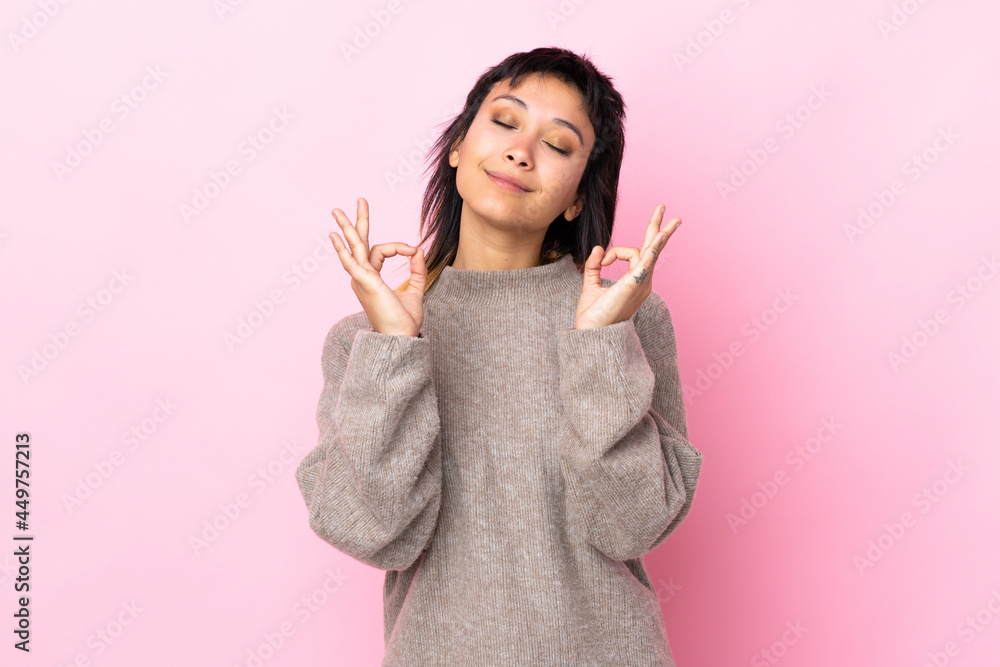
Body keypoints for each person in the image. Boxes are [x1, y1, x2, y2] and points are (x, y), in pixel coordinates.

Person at [294, 46, 704, 666]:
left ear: (576, 198)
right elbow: (370, 529)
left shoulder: (629, 317)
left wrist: (597, 345)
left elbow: (634, 523)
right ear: (458, 146)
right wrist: (396, 350)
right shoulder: (366, 340)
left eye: (559, 145)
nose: (521, 151)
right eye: (505, 122)